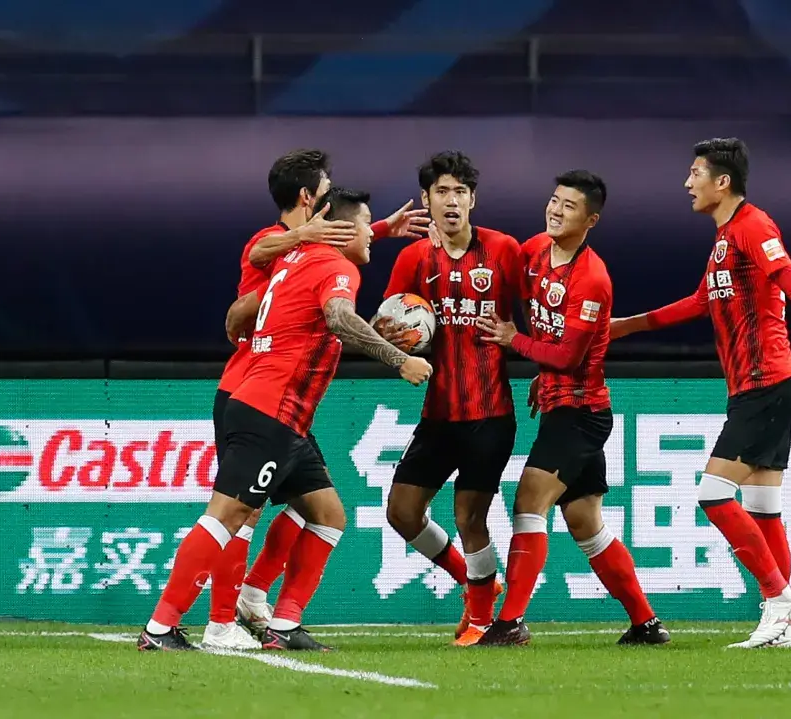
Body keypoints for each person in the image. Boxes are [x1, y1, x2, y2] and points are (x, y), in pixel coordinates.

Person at [138, 187, 432, 651]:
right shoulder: (337, 267)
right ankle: (161, 628)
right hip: (270, 410)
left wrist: (375, 231)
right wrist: (399, 359)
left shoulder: (296, 257)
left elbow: (274, 307)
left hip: (277, 411)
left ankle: (283, 624)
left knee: (327, 515)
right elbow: (339, 317)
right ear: (341, 227)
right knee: (227, 515)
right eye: (365, 224)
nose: (370, 235)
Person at [610, 138, 791, 649]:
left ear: (722, 182)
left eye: (695, 173)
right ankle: (783, 628)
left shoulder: (753, 226)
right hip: (756, 385)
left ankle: (779, 596)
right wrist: (628, 326)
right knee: (763, 506)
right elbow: (701, 301)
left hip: (767, 381)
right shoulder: (724, 239)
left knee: (713, 493)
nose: (687, 183)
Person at [218, 151, 428, 641]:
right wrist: (397, 358)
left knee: (320, 508)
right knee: (241, 510)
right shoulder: (278, 244)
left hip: (284, 397)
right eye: (327, 190)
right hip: (254, 388)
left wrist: (378, 230)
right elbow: (260, 275)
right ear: (309, 198)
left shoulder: (313, 252)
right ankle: (219, 620)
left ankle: (258, 600)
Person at [475, 171, 670, 647]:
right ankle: (646, 624)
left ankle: (510, 622)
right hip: (562, 406)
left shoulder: (592, 278)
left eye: (569, 206)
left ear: (591, 220)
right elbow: (535, 315)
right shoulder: (535, 250)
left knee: (529, 502)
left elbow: (569, 356)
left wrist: (516, 341)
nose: (556, 210)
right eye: (554, 200)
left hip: (581, 414)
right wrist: (539, 362)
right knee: (586, 523)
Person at [375, 151, 520, 646]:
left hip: (490, 412)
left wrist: (529, 353)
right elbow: (386, 324)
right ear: (427, 199)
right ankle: (476, 582)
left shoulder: (504, 250)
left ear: (473, 199)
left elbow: (532, 317)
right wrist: (398, 349)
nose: (452, 200)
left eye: (460, 191)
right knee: (401, 512)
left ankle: (480, 620)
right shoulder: (413, 258)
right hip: (438, 414)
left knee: (468, 517)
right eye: (442, 191)